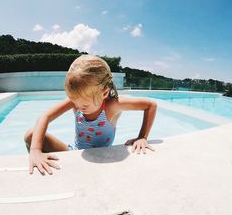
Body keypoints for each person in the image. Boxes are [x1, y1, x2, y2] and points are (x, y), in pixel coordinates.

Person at [24, 55, 157, 175]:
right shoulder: (77, 100)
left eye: (84, 105)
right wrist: (36, 150)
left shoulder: (112, 105)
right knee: (30, 135)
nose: (78, 107)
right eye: (74, 101)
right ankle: (37, 163)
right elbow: (45, 117)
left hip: (101, 156)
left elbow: (150, 105)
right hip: (73, 152)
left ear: (104, 94)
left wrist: (142, 137)